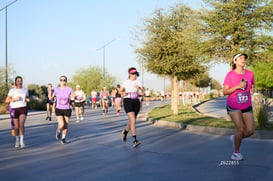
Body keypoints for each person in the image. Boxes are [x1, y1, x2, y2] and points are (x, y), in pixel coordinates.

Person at [223, 53, 255, 161]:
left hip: (247, 105)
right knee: (240, 129)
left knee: (250, 131)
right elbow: (225, 92)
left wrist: (252, 88)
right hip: (233, 105)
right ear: (235, 61)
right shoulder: (230, 75)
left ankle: (235, 138)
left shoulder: (250, 74)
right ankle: (236, 153)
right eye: (240, 58)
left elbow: (252, 84)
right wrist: (238, 86)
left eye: (244, 58)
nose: (243, 60)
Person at [120, 67, 144, 147]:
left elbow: (143, 93)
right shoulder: (125, 82)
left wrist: (139, 88)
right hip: (128, 101)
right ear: (129, 74)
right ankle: (135, 140)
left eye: (135, 74)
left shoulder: (138, 82)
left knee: (132, 121)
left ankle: (125, 132)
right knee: (133, 120)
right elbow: (120, 91)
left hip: (136, 102)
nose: (134, 75)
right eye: (132, 74)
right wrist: (123, 93)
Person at [5, 76, 30, 148]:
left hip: (23, 108)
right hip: (14, 109)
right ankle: (17, 140)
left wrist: (27, 99)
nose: (20, 82)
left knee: (21, 124)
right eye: (18, 81)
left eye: (21, 80)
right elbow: (7, 100)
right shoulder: (12, 90)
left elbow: (27, 97)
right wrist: (14, 99)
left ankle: (22, 141)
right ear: (15, 82)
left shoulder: (25, 90)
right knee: (16, 126)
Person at [51, 76, 74, 144]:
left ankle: (63, 139)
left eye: (64, 80)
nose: (63, 81)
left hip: (67, 109)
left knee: (66, 125)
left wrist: (73, 97)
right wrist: (51, 96)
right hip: (59, 109)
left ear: (66, 81)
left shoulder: (69, 89)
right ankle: (58, 131)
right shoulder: (56, 89)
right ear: (60, 81)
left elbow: (73, 95)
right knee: (61, 124)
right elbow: (52, 97)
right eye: (61, 80)